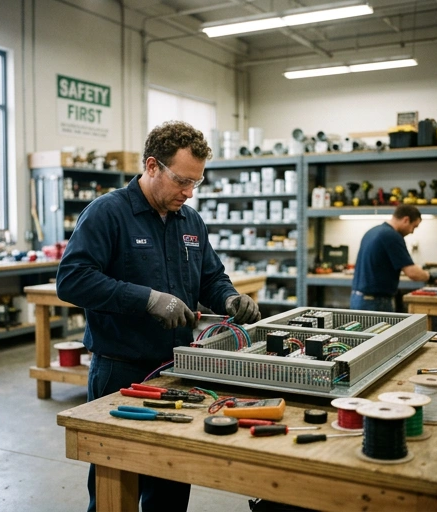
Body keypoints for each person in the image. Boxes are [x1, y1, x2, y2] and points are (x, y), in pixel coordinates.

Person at [56, 120, 261, 512]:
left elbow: (210, 277)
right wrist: (146, 299)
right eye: (183, 181)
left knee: (169, 486)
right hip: (120, 371)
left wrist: (230, 297)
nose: (188, 192)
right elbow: (72, 280)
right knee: (116, 487)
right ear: (152, 166)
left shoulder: (190, 220)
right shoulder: (107, 214)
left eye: (195, 183)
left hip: (176, 372)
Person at [350, 204, 430, 312]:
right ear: (406, 220)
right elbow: (412, 273)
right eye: (414, 227)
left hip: (358, 298)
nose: (412, 231)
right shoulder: (392, 236)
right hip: (375, 302)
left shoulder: (372, 231)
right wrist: (430, 276)